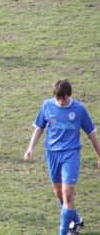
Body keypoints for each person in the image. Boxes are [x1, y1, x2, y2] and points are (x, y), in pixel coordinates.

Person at [24, 79, 100, 235]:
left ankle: (63, 231)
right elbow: (39, 128)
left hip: (70, 154)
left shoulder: (79, 109)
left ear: (69, 95)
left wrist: (99, 155)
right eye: (58, 98)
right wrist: (30, 148)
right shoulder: (47, 105)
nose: (61, 102)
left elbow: (91, 135)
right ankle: (77, 220)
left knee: (68, 191)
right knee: (59, 193)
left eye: (63, 98)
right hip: (52, 154)